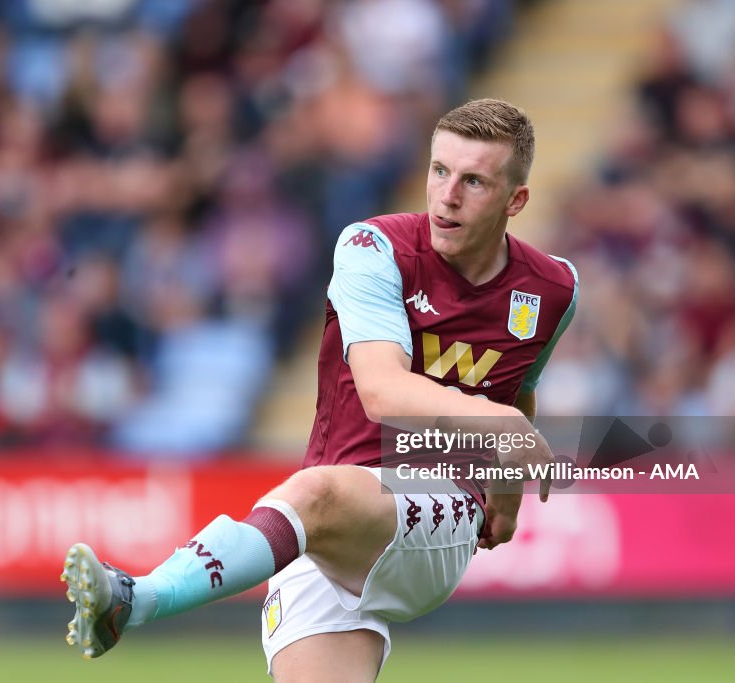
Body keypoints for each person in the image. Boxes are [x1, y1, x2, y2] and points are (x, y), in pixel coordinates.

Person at [60, 98, 578, 682]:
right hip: (326, 536)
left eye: (474, 181)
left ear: (516, 201)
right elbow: (384, 391)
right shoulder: (373, 250)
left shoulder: (554, 289)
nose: (447, 195)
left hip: (439, 505)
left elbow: (518, 383)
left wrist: (503, 499)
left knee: (312, 493)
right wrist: (505, 430)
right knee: (315, 499)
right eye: (439, 171)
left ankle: (135, 599)